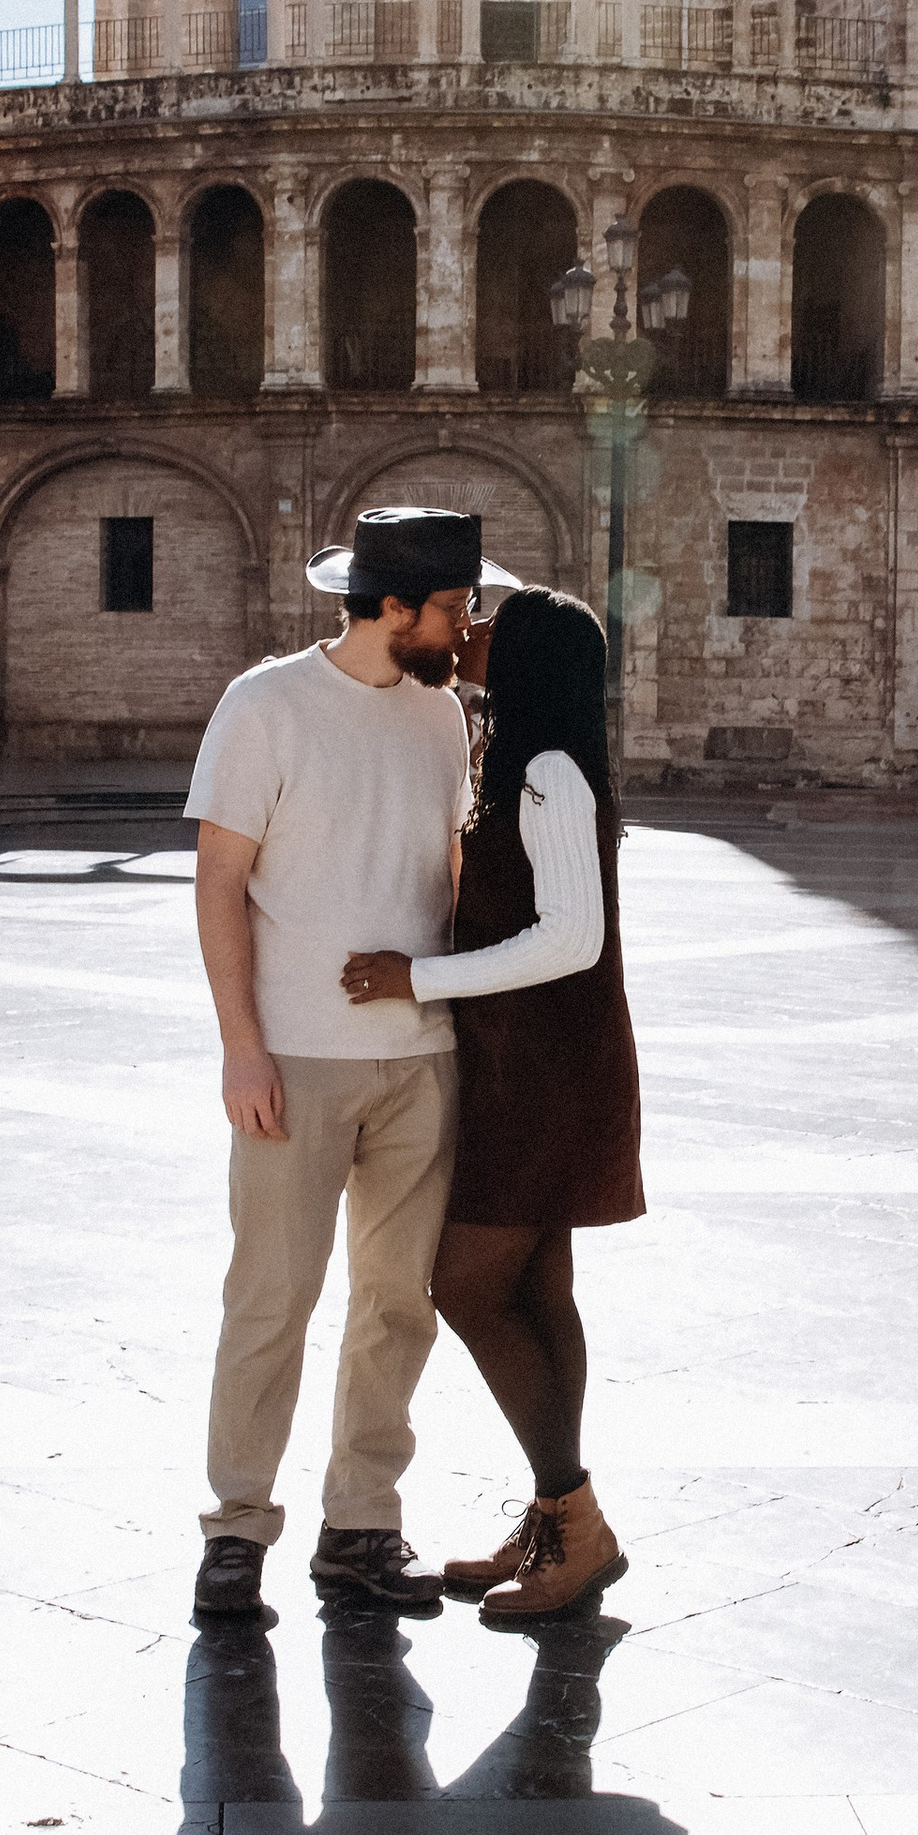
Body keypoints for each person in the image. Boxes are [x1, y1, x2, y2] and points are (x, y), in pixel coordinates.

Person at [184, 507, 519, 1623]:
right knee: (270, 1299)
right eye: (454, 607)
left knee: (396, 1303)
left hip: (421, 1060)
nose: (466, 627)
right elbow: (219, 880)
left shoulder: (439, 719)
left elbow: (449, 861)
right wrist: (242, 1046)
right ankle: (235, 1533)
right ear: (391, 608)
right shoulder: (265, 705)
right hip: (296, 1058)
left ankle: (362, 1526)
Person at [342, 585, 642, 1624]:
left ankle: (574, 1520)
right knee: (539, 1294)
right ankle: (560, 1519)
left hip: (544, 1072)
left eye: (489, 630)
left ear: (529, 665)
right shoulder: (530, 762)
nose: (467, 635)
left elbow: (572, 939)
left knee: (465, 1286)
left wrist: (410, 977)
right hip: (534, 1062)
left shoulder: (550, 776)